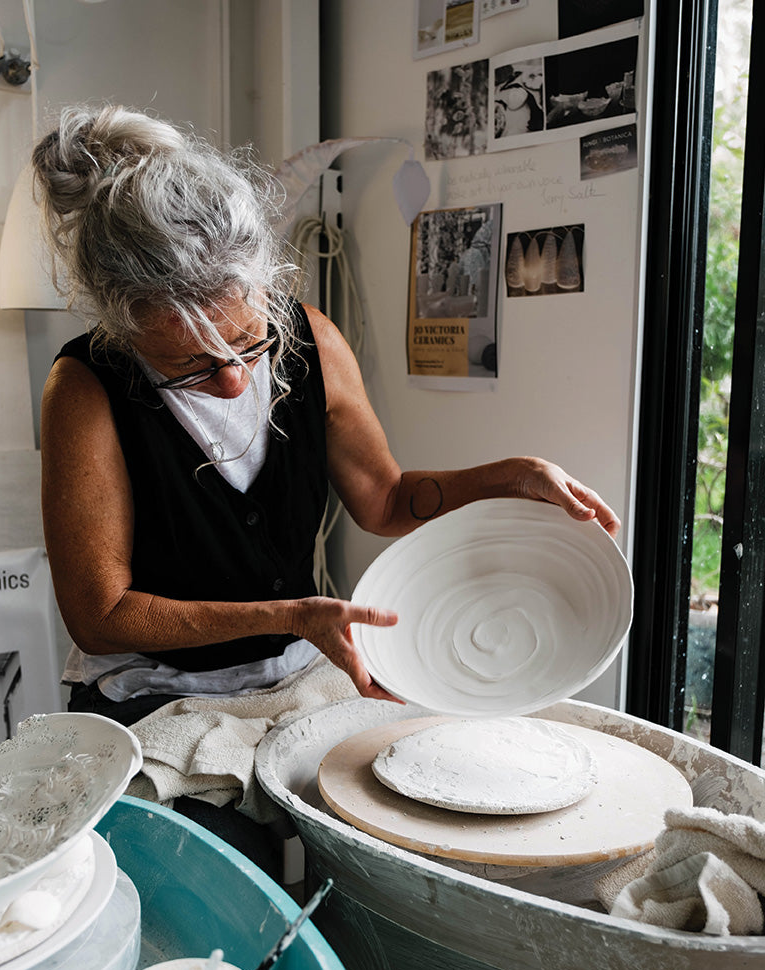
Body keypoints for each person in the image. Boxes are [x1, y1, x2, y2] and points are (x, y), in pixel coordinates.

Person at [32, 104, 620, 876]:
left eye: (246, 340)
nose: (236, 377)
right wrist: (293, 615)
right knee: (231, 883)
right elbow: (101, 616)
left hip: (297, 675)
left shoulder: (312, 340)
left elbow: (384, 497)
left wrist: (504, 477)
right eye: (193, 365)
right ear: (124, 323)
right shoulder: (86, 388)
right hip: (161, 694)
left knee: (399, 856)